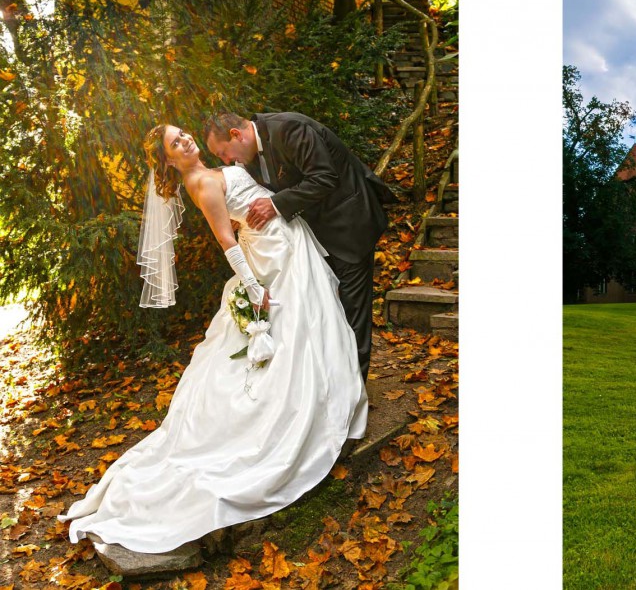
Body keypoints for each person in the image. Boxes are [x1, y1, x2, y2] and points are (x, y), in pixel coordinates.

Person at [59, 125, 368, 553]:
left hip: (285, 241)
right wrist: (253, 287)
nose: (185, 140)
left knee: (315, 325)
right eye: (175, 143)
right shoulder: (201, 183)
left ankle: (331, 393)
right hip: (268, 257)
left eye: (183, 133)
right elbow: (226, 238)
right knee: (295, 334)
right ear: (168, 160)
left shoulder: (218, 168)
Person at [204, 112, 396, 384]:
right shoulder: (250, 155)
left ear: (236, 135)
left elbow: (324, 177)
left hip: (349, 226)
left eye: (223, 152)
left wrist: (276, 205)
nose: (225, 161)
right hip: (310, 239)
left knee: (353, 316)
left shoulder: (290, 129)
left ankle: (354, 398)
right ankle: (331, 388)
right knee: (328, 314)